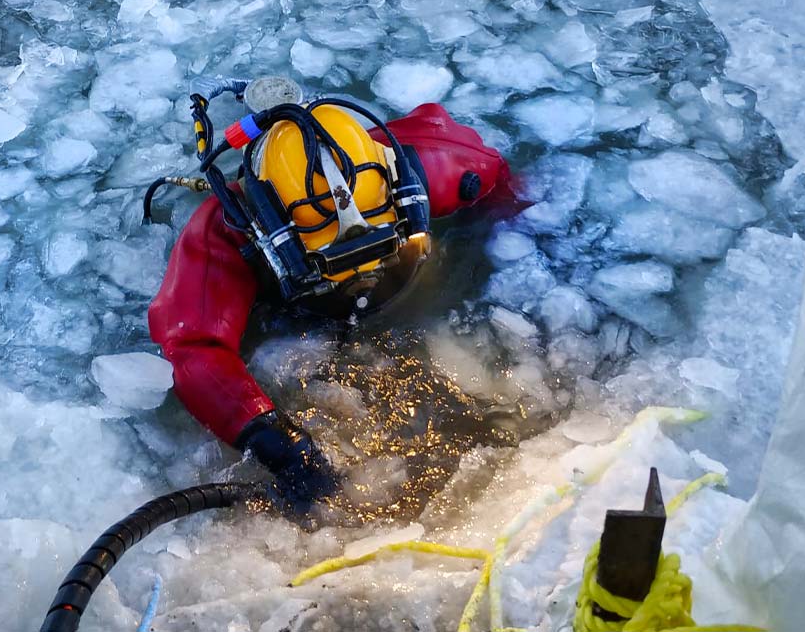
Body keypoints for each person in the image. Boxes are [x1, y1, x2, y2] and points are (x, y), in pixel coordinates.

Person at [148, 78, 524, 510]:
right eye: (331, 261)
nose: (359, 274)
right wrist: (279, 443)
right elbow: (191, 347)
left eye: (376, 247)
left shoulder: (436, 166)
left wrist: (507, 237)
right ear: (269, 233)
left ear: (400, 196)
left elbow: (497, 174)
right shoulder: (225, 231)